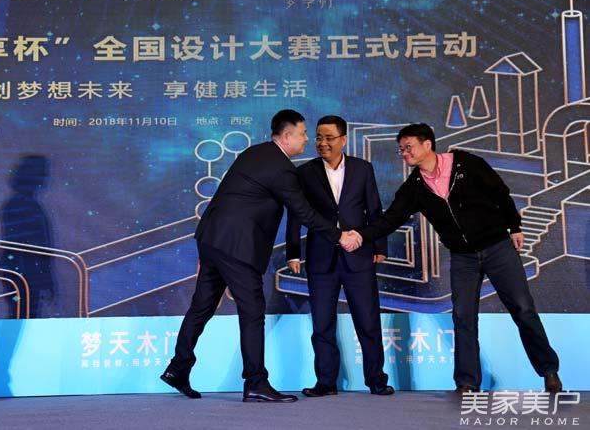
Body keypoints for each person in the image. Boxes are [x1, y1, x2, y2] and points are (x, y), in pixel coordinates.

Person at [160, 109, 363, 403]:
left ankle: (178, 368)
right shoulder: (281, 168)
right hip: (238, 247)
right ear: (287, 136)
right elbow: (303, 212)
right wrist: (340, 235)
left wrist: (209, 249)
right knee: (252, 310)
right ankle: (255, 382)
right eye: (303, 133)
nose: (307, 139)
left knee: (201, 307)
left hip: (212, 240)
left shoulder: (255, 153)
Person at [358, 123, 561, 393]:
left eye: (408, 147)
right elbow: (390, 220)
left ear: (427, 144)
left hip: (497, 247)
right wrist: (359, 236)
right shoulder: (413, 187)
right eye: (401, 149)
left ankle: (549, 371)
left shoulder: (465, 162)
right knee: (463, 317)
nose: (404, 153)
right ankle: (467, 382)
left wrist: (514, 226)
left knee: (523, 309)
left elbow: (500, 192)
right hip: (463, 258)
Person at [286, 115, 394, 397]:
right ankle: (326, 382)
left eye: (329, 138)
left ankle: (376, 380)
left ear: (343, 139)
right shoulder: (305, 172)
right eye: (318, 137)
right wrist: (293, 252)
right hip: (320, 257)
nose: (322, 143)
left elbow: (374, 210)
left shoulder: (362, 169)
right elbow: (296, 214)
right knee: (322, 324)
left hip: (358, 255)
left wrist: (380, 247)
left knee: (368, 321)